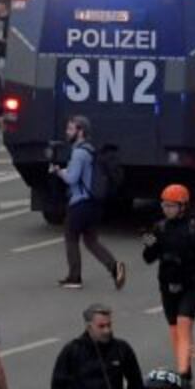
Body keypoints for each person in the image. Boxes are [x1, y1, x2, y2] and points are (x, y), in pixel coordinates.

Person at [140, 184, 195, 389]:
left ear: (183, 206)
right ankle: (185, 369)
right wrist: (149, 246)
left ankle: (182, 374)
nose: (167, 209)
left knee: (184, 324)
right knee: (174, 329)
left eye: (172, 206)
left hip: (191, 285)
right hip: (167, 286)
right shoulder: (160, 228)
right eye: (165, 205)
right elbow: (149, 259)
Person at [51, 115, 123, 292]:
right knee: (91, 240)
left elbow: (73, 178)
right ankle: (114, 267)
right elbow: (84, 175)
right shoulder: (90, 150)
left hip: (80, 203)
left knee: (71, 237)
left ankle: (74, 277)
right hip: (94, 203)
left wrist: (58, 172)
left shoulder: (78, 153)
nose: (67, 132)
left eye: (70, 129)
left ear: (80, 131)